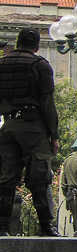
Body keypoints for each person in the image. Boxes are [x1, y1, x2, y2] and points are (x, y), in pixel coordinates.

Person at [0, 28, 60, 236]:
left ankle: (3, 228)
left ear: (17, 43)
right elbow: (47, 102)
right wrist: (54, 135)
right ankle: (45, 226)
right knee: (39, 178)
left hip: (8, 126)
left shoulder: (2, 64)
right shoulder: (40, 65)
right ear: (36, 46)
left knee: (6, 179)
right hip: (33, 127)